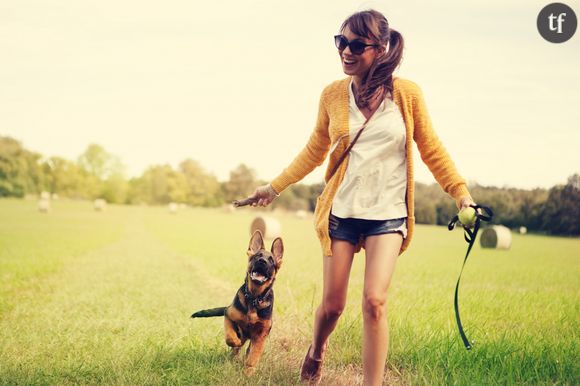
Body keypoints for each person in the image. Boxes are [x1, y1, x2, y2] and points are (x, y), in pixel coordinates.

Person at [248, 9, 477, 386]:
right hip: (343, 211)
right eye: (341, 42)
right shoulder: (333, 95)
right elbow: (314, 150)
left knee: (375, 302)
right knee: (333, 306)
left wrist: (461, 194)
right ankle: (317, 348)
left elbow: (431, 148)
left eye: (356, 45)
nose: (346, 51)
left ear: (381, 48)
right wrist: (273, 187)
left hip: (387, 214)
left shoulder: (407, 95)